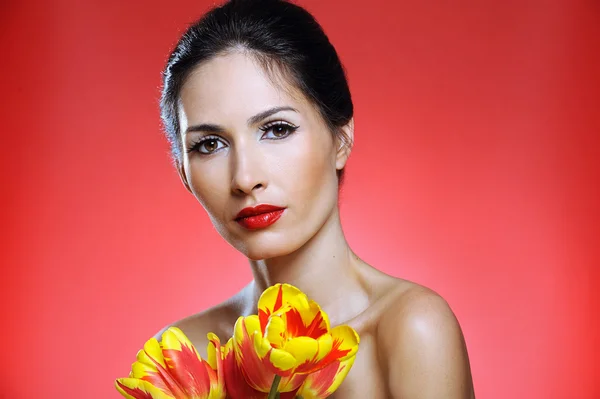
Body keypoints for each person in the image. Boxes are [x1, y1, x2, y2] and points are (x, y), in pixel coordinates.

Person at [156, 0, 475, 397]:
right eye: (210, 144)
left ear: (341, 140)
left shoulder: (410, 329)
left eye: (276, 129)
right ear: (183, 171)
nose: (245, 178)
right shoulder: (186, 357)